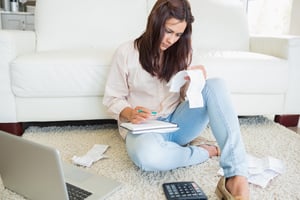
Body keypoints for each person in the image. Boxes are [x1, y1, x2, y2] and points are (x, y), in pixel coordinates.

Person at [103, 0, 249, 199]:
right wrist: (130, 113)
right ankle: (204, 151)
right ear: (154, 22)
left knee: (216, 85)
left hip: (178, 124)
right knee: (148, 158)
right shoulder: (126, 52)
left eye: (178, 34)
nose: (172, 39)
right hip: (144, 129)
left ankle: (236, 175)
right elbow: (112, 98)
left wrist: (195, 82)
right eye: (168, 31)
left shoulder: (183, 52)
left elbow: (190, 98)